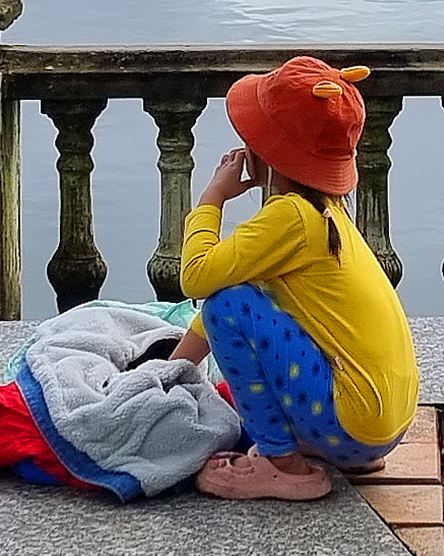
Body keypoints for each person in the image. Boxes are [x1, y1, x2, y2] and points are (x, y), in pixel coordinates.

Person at [169, 56, 419, 500]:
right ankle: (325, 443)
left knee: (226, 306)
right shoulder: (327, 211)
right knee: (241, 298)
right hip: (382, 423)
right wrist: (172, 371)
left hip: (352, 423)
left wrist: (212, 198)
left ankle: (282, 466)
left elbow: (197, 278)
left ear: (263, 151)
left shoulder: (290, 217)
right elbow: (253, 289)